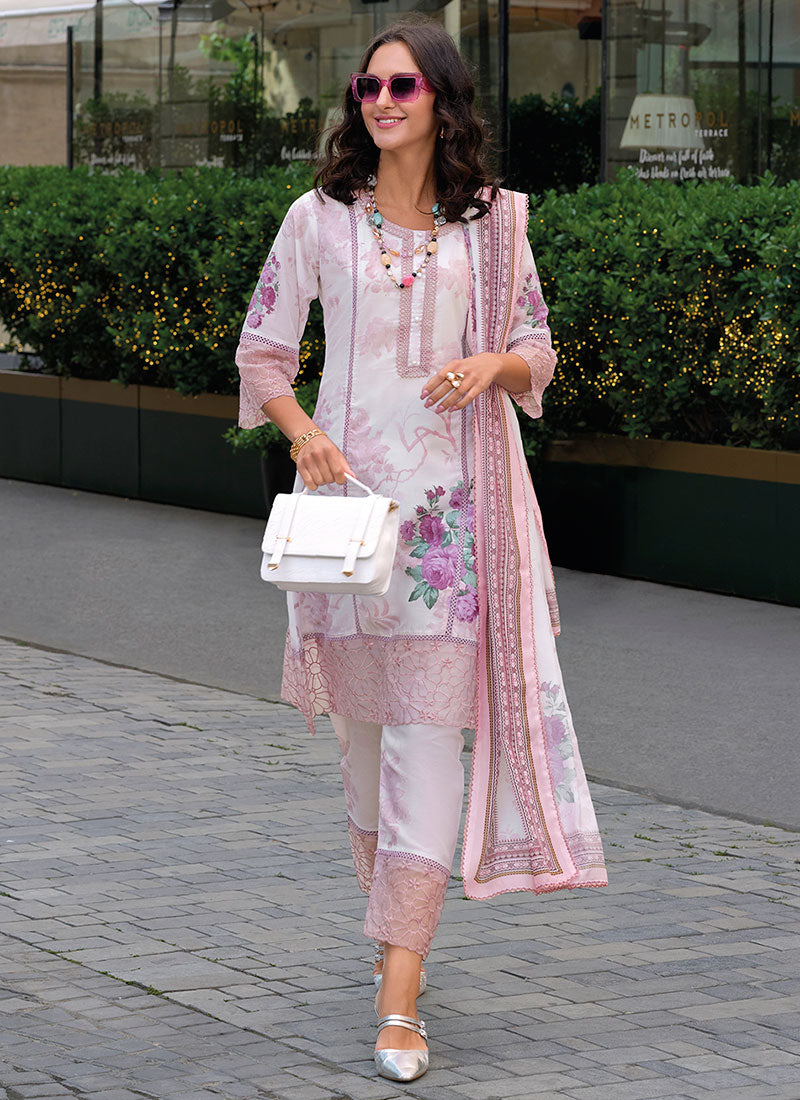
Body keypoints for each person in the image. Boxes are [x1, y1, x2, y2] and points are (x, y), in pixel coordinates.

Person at [235, 15, 608, 1083]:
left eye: (402, 86)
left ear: (439, 99)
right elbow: (263, 350)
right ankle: (395, 936)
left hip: (455, 532)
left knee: (422, 754)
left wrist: (489, 365)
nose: (382, 102)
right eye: (367, 87)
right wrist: (302, 431)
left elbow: (537, 346)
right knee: (363, 760)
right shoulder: (318, 220)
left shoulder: (494, 226)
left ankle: (400, 988)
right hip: (350, 529)